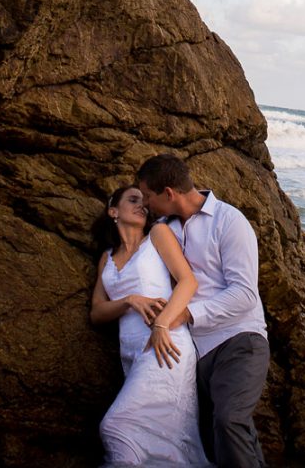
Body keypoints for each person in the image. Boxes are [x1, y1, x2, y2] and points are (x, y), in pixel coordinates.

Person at [136, 154, 269, 468]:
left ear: (169, 193)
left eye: (149, 197)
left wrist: (187, 314)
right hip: (196, 352)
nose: (146, 205)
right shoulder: (163, 228)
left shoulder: (229, 220)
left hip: (240, 341)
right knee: (218, 438)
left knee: (229, 421)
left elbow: (246, 294)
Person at [89, 184, 210, 467]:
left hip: (166, 345)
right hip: (131, 354)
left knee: (115, 427)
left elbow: (188, 282)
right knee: (156, 444)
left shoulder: (157, 235)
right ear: (113, 211)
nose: (141, 205)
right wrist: (129, 301)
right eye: (133, 200)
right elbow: (96, 312)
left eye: (144, 201)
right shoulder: (107, 257)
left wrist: (162, 325)